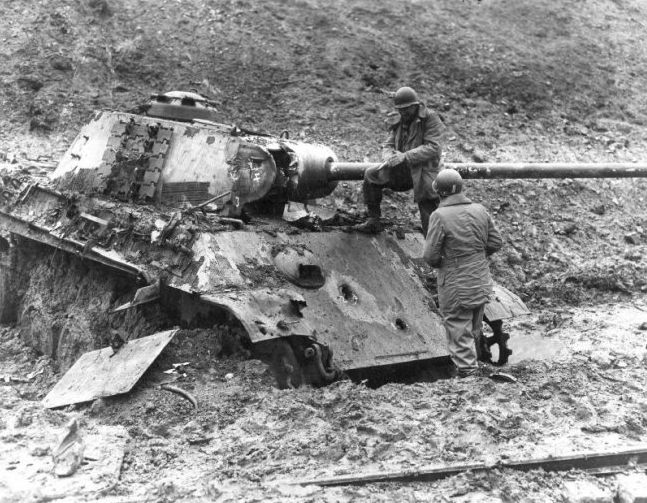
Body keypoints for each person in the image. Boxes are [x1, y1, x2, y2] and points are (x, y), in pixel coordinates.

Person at [423, 169, 502, 377]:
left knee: (458, 324)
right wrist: (476, 257)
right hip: (480, 278)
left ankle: (468, 374)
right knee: (474, 325)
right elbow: (496, 241)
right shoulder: (479, 210)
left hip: (456, 282)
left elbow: (430, 256)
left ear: (439, 191)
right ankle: (477, 364)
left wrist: (447, 263)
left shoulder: (439, 216)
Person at [354, 86, 445, 236]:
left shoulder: (430, 118)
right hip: (403, 171)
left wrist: (405, 156)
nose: (403, 113)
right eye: (400, 109)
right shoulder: (400, 119)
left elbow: (433, 147)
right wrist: (389, 156)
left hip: (424, 170)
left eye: (406, 109)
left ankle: (433, 240)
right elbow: (388, 144)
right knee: (372, 175)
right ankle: (373, 221)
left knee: (428, 207)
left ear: (415, 106)